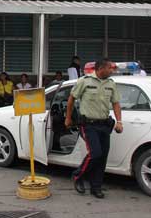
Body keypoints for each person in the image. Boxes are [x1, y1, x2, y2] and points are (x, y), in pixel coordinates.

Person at [65, 58, 123, 199]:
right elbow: (71, 99)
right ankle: (78, 176)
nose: (112, 70)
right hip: (89, 125)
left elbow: (115, 103)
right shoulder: (84, 81)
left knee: (102, 157)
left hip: (104, 124)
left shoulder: (111, 84)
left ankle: (96, 187)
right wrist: (68, 118)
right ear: (101, 68)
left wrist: (119, 121)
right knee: (95, 153)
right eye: (110, 68)